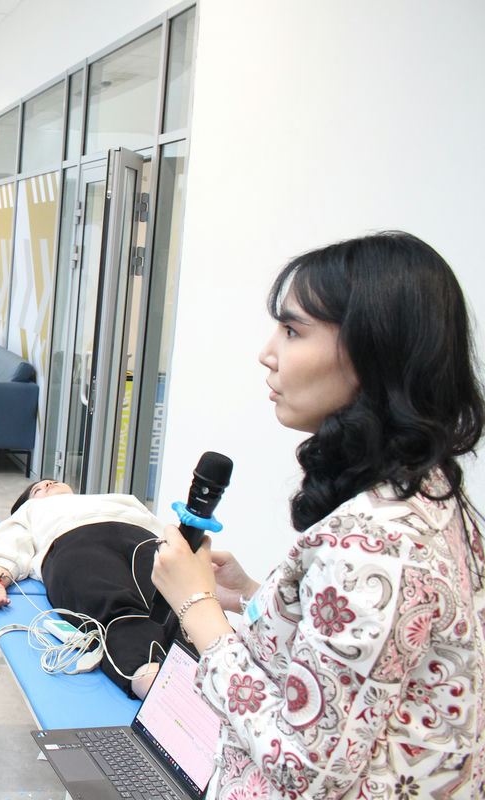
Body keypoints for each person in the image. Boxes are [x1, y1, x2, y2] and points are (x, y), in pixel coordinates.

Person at [152, 232, 485, 799]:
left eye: (292, 330)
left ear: (372, 351)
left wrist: (197, 609)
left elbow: (304, 766)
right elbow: (364, 669)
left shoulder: (373, 544)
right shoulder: (431, 494)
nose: (268, 353)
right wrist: (256, 595)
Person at [0, 484, 175, 699]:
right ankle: (156, 686)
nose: (47, 484)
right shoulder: (31, 510)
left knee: (177, 606)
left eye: (50, 481)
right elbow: (10, 542)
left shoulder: (120, 499)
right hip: (76, 541)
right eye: (38, 490)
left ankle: (196, 673)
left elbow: (165, 533)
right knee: (114, 607)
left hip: (142, 539)